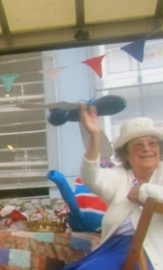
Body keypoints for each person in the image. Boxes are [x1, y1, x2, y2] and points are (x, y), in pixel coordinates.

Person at [62, 104, 163, 270]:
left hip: (151, 250)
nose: (146, 149)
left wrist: (143, 191)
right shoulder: (121, 175)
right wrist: (94, 136)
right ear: (126, 154)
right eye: (138, 145)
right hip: (113, 247)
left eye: (152, 143)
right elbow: (92, 178)